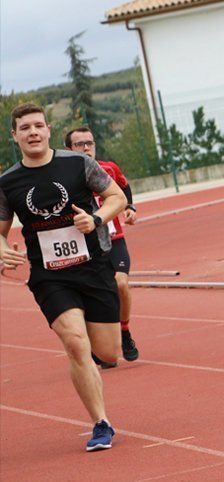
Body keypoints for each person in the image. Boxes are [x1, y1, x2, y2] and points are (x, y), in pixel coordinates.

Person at [0, 103, 128, 451]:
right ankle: (101, 423)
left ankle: (91, 352)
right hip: (49, 275)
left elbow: (115, 196)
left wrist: (96, 219)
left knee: (109, 352)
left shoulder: (77, 163)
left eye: (38, 126)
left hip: (93, 266)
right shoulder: (8, 182)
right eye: (25, 128)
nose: (33, 132)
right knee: (75, 343)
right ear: (15, 136)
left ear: (48, 130)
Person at [65, 127, 139, 362]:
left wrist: (129, 208)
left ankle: (125, 331)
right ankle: (99, 344)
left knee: (121, 284)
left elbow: (124, 188)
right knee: (91, 296)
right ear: (69, 150)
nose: (86, 148)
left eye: (90, 143)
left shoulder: (109, 168)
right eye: (79, 144)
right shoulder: (64, 177)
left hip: (114, 238)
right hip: (85, 245)